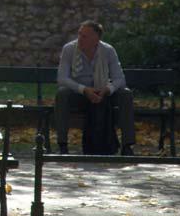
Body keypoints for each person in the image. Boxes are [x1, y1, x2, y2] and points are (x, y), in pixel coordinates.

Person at [56, 20, 135, 155]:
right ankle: (62, 145)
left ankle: (127, 145)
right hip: (79, 93)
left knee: (126, 94)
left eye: (84, 36)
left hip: (102, 91)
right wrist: (84, 90)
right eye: (79, 34)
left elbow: (119, 79)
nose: (80, 38)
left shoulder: (108, 50)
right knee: (62, 94)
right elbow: (62, 78)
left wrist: (107, 89)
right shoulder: (69, 49)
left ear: (96, 39)